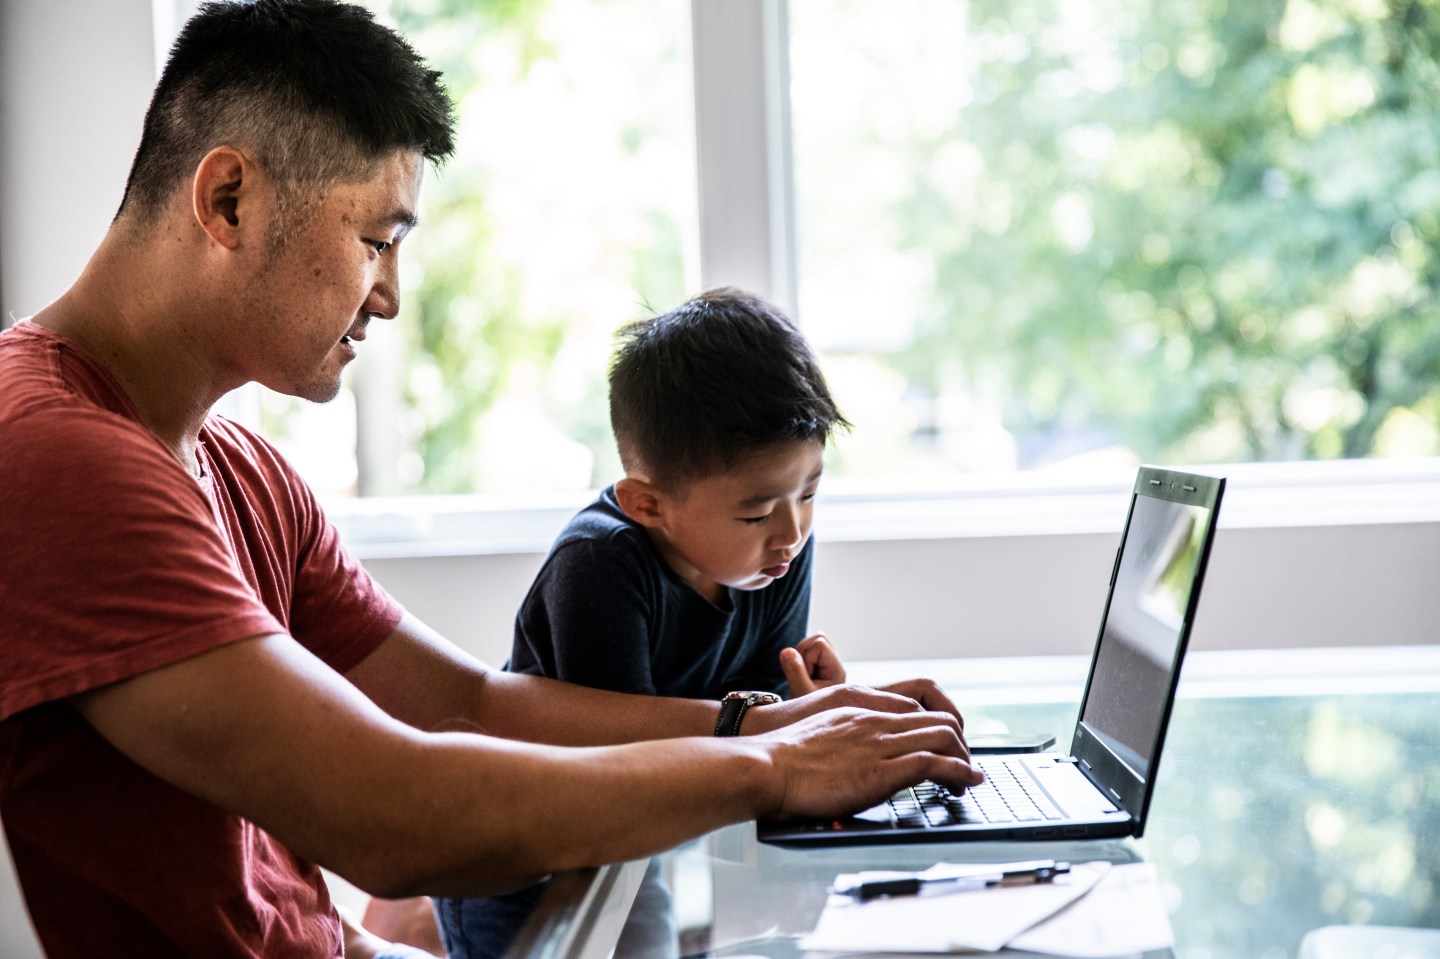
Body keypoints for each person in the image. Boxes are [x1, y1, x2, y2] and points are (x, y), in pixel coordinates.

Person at [0, 3, 980, 958]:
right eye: (376, 241)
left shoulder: (241, 464)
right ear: (227, 200)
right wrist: (773, 765)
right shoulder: (63, 457)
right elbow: (392, 813)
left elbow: (465, 702)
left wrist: (763, 719)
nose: (387, 296)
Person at [433, 288, 852, 958]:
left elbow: (749, 727)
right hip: (530, 867)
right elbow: (627, 774)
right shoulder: (599, 566)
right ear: (647, 504)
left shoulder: (775, 551)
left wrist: (804, 705)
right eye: (757, 511)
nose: (793, 530)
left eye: (809, 490)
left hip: (649, 839)